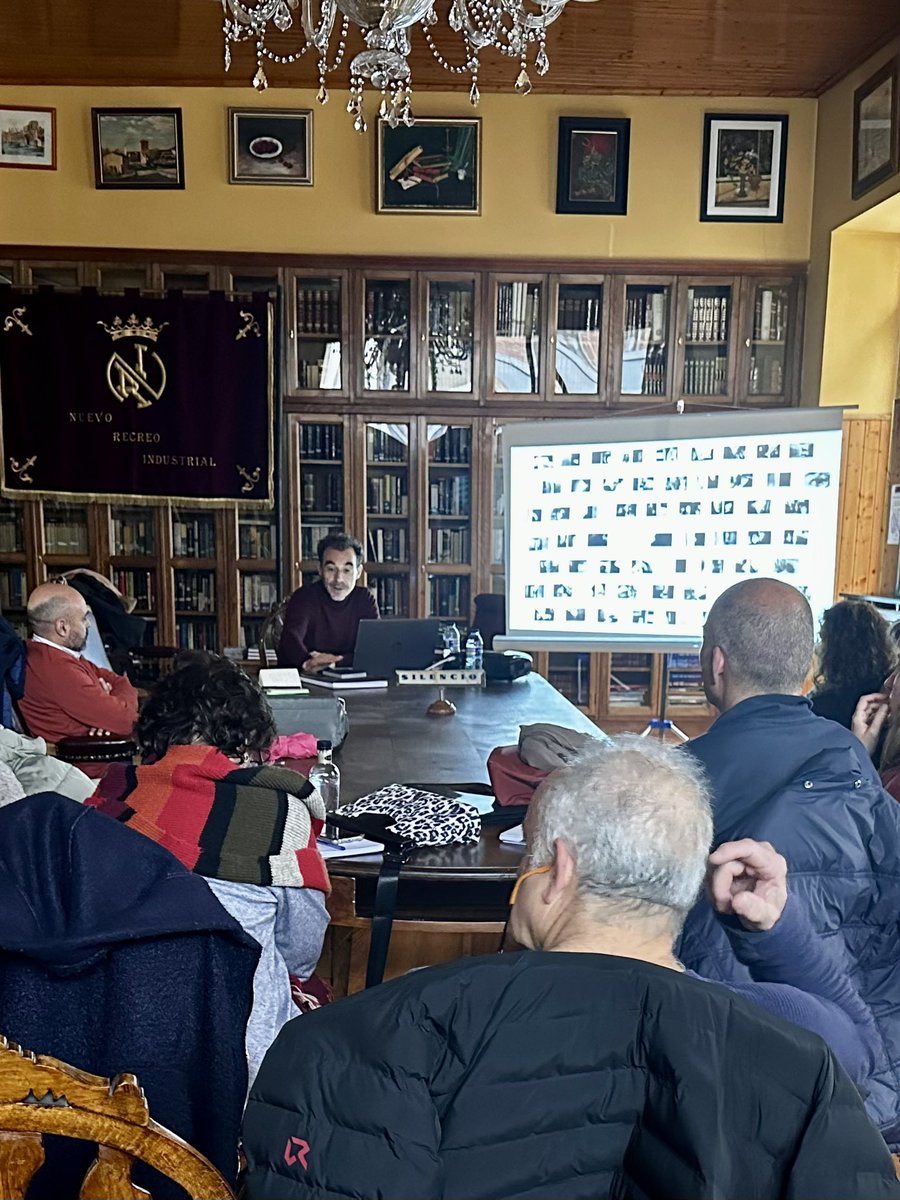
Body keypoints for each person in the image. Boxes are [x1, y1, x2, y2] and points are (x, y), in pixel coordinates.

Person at [241, 736, 899, 1200]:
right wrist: (768, 932)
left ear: (558, 871)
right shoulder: (797, 1056)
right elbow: (861, 1048)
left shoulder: (360, 1042)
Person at [680, 576, 900, 1146]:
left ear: (717, 662)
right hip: (882, 1080)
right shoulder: (853, 759)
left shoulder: (681, 779)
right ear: (806, 667)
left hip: (749, 1082)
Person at [88, 654, 331, 1083]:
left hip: (117, 1057)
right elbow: (301, 954)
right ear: (248, 739)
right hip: (244, 1062)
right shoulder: (279, 814)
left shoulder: (108, 801)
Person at [19, 581, 139, 777]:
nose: (88, 624)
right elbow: (126, 722)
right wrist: (110, 702)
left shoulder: (54, 654)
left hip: (102, 759)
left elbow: (121, 681)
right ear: (62, 627)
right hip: (94, 770)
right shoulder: (57, 669)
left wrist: (109, 701)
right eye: (83, 618)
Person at [277, 532, 378, 672]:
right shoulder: (304, 596)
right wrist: (308, 662)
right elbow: (290, 640)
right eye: (331, 569)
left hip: (354, 682)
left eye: (347, 570)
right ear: (320, 569)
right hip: (308, 679)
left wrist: (332, 663)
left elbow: (375, 650)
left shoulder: (364, 599)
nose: (338, 579)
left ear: (359, 572)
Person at [809, 599, 897, 729]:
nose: (818, 647)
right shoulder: (887, 695)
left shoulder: (822, 706)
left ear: (833, 649)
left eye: (822, 640)